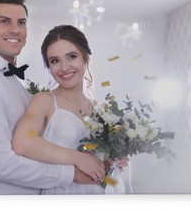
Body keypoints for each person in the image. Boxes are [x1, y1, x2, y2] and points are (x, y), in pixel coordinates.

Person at [0, 0, 103, 195]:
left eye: (21, 22)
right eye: (5, 21)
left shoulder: (14, 82)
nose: (15, 29)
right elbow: (2, 164)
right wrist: (73, 173)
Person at [12, 25, 128, 194]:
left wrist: (112, 160)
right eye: (55, 61)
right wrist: (78, 158)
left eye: (71, 57)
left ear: (85, 58)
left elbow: (101, 167)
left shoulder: (100, 110)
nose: (64, 67)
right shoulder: (44, 101)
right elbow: (22, 142)